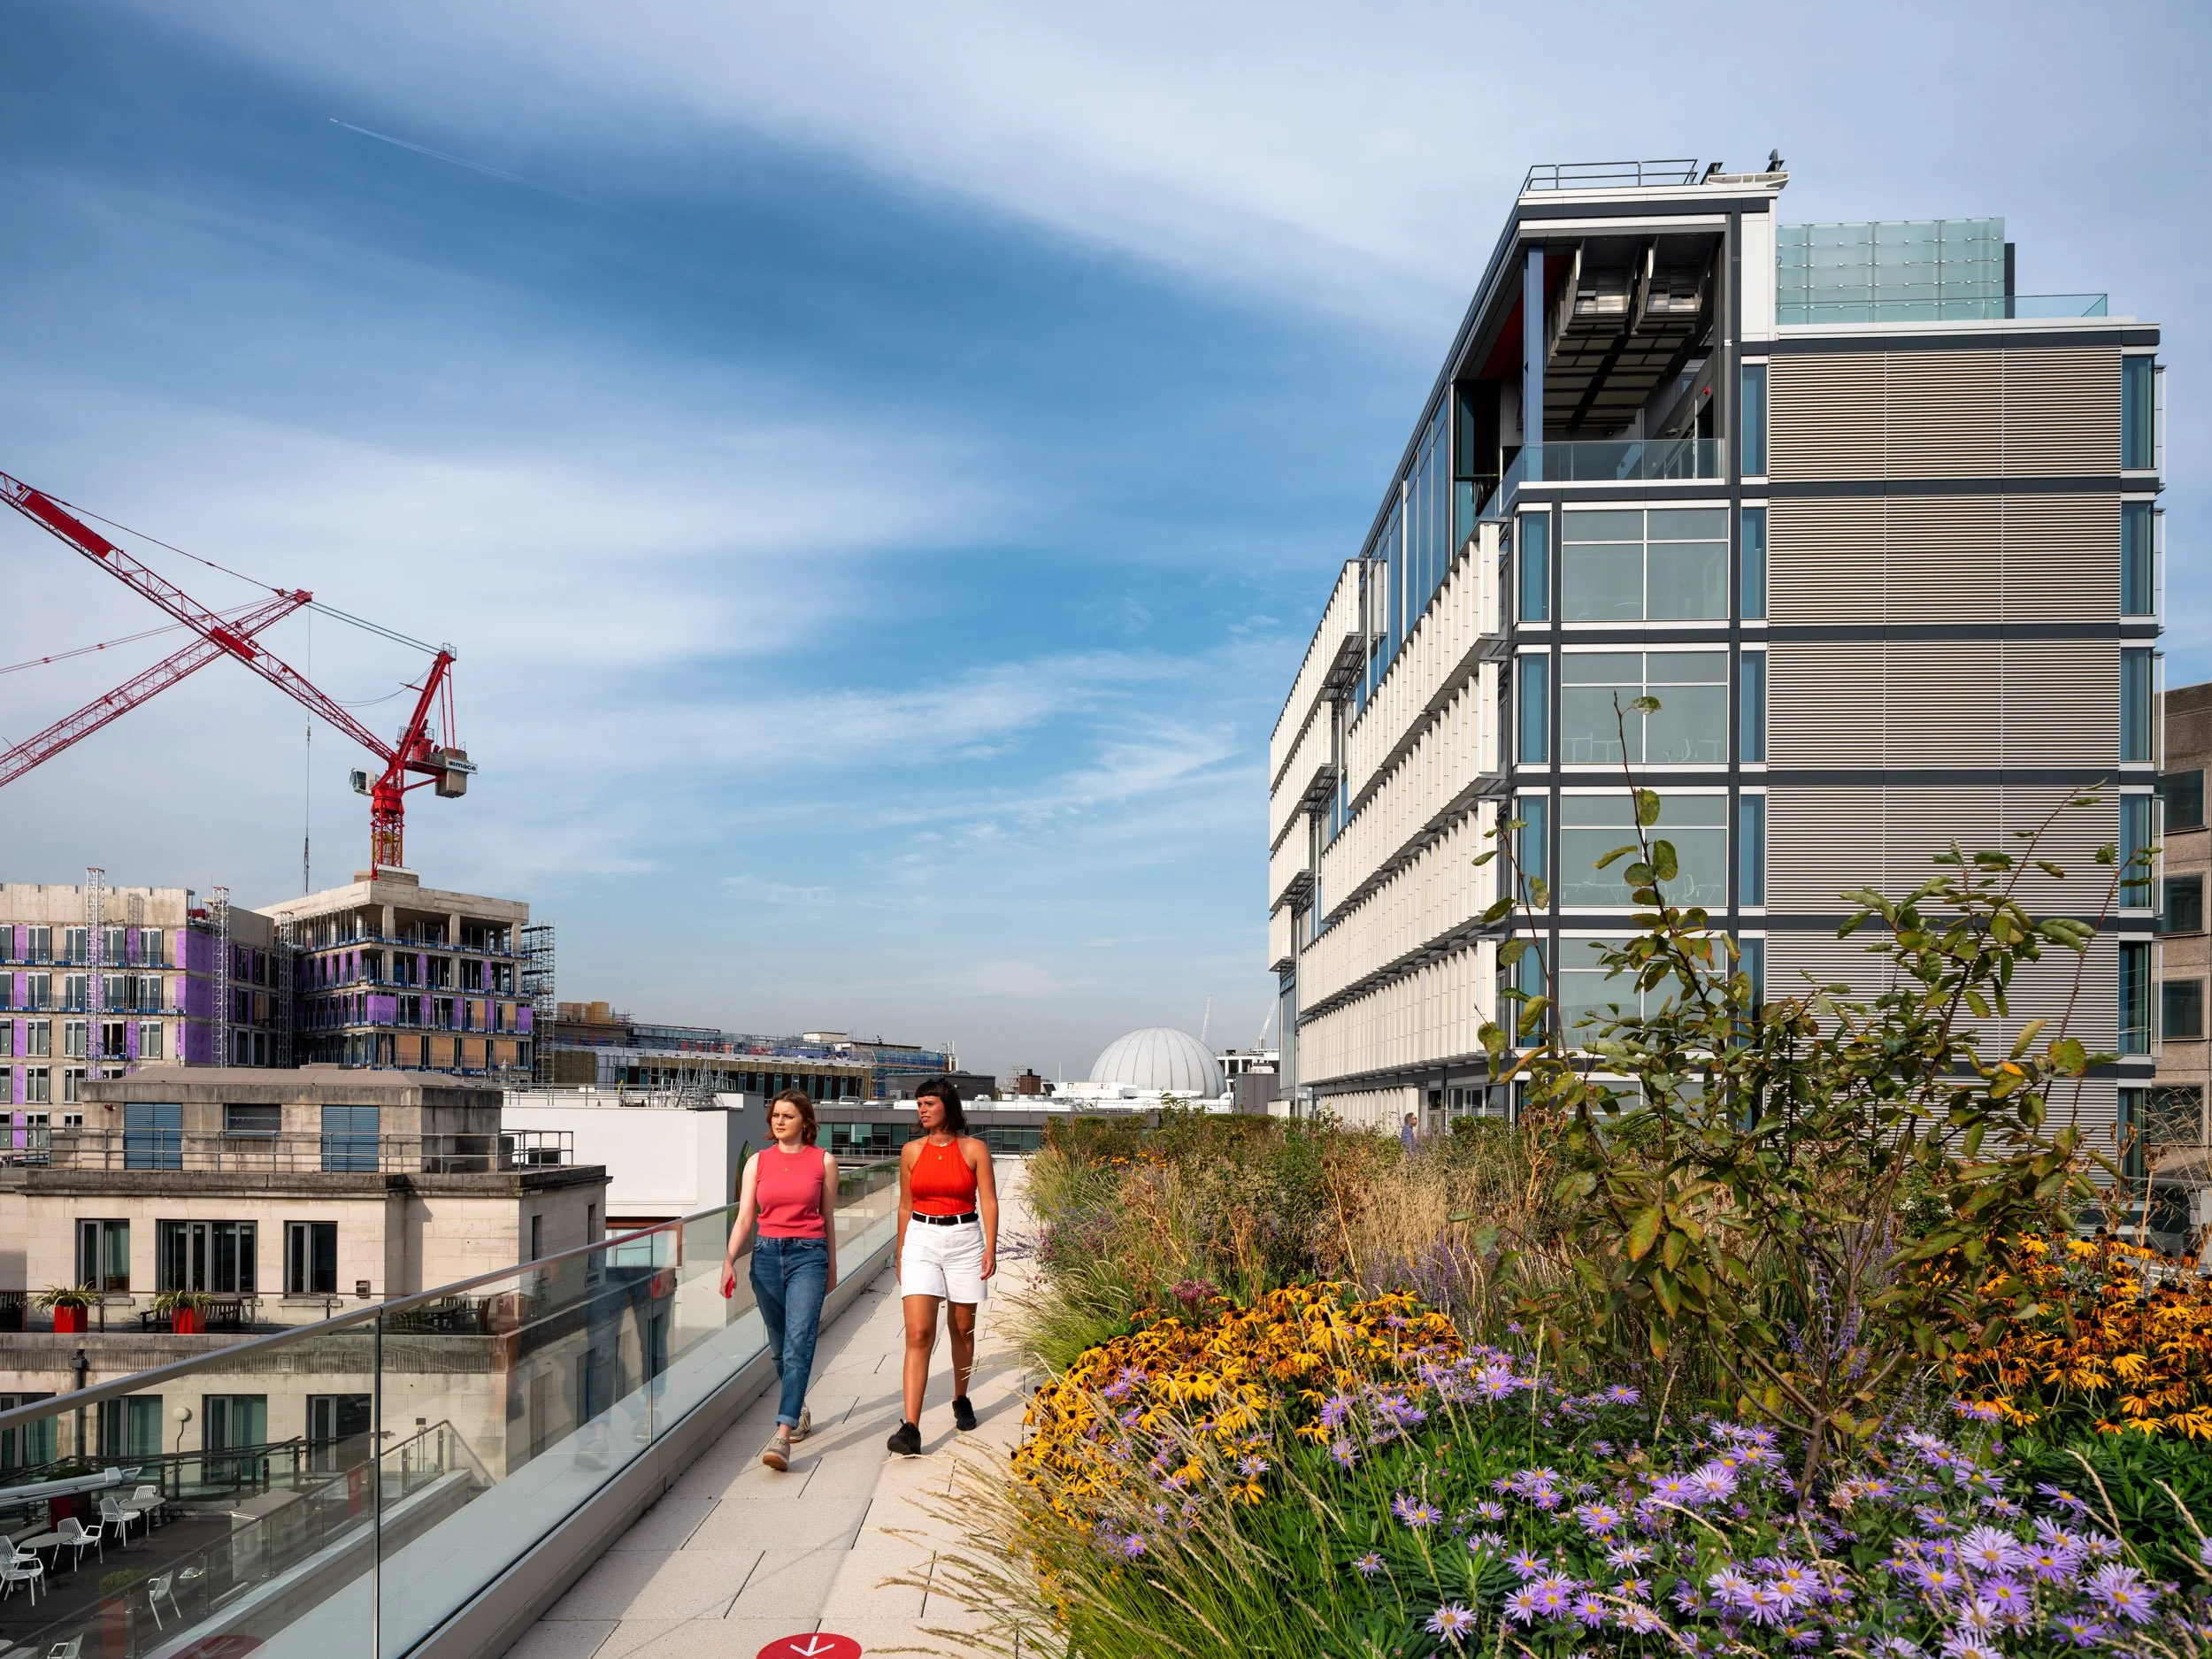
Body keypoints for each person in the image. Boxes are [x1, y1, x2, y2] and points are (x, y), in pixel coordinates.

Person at [720, 1087, 839, 1471]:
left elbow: (828, 1219)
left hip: (809, 1257)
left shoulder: (824, 1161)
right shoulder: (758, 1162)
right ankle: (798, 1408)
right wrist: (728, 1260)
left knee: (798, 1344)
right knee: (778, 1346)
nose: (780, 1121)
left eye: (789, 1115)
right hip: (767, 1257)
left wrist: (831, 1267)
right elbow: (745, 1218)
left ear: (805, 1121)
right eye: (776, 1115)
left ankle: (783, 1434)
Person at [886, 1077, 998, 1456]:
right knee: (919, 1333)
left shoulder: (974, 1149)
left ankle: (961, 1397)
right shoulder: (911, 1151)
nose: (922, 1110)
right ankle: (911, 1427)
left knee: (962, 1328)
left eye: (929, 1103)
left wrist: (991, 1248)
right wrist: (901, 1251)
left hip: (965, 1239)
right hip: (921, 1239)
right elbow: (905, 1204)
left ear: (947, 1105)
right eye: (919, 1104)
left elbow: (989, 1201)